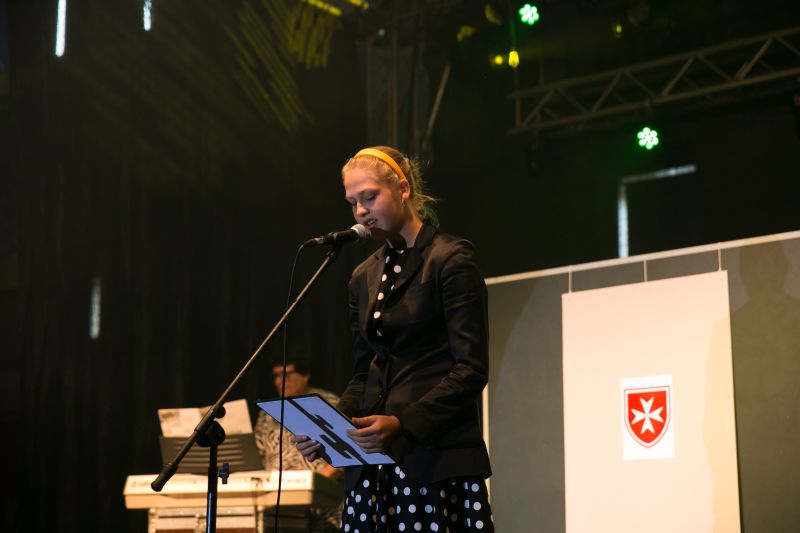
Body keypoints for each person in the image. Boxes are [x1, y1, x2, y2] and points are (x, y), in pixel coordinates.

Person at [293, 146, 494, 532]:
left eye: (369, 197)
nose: (360, 211)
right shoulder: (362, 276)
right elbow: (362, 375)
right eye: (353, 203)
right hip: (373, 469)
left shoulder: (451, 258)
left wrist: (403, 423)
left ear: (403, 189)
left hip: (435, 461)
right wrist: (330, 432)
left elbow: (470, 370)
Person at [254, 358, 343, 532]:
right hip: (279, 504)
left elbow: (345, 453)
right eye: (276, 376)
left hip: (324, 505)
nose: (279, 381)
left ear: (305, 375)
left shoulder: (330, 404)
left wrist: (318, 483)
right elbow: (260, 457)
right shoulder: (267, 414)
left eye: (286, 374)